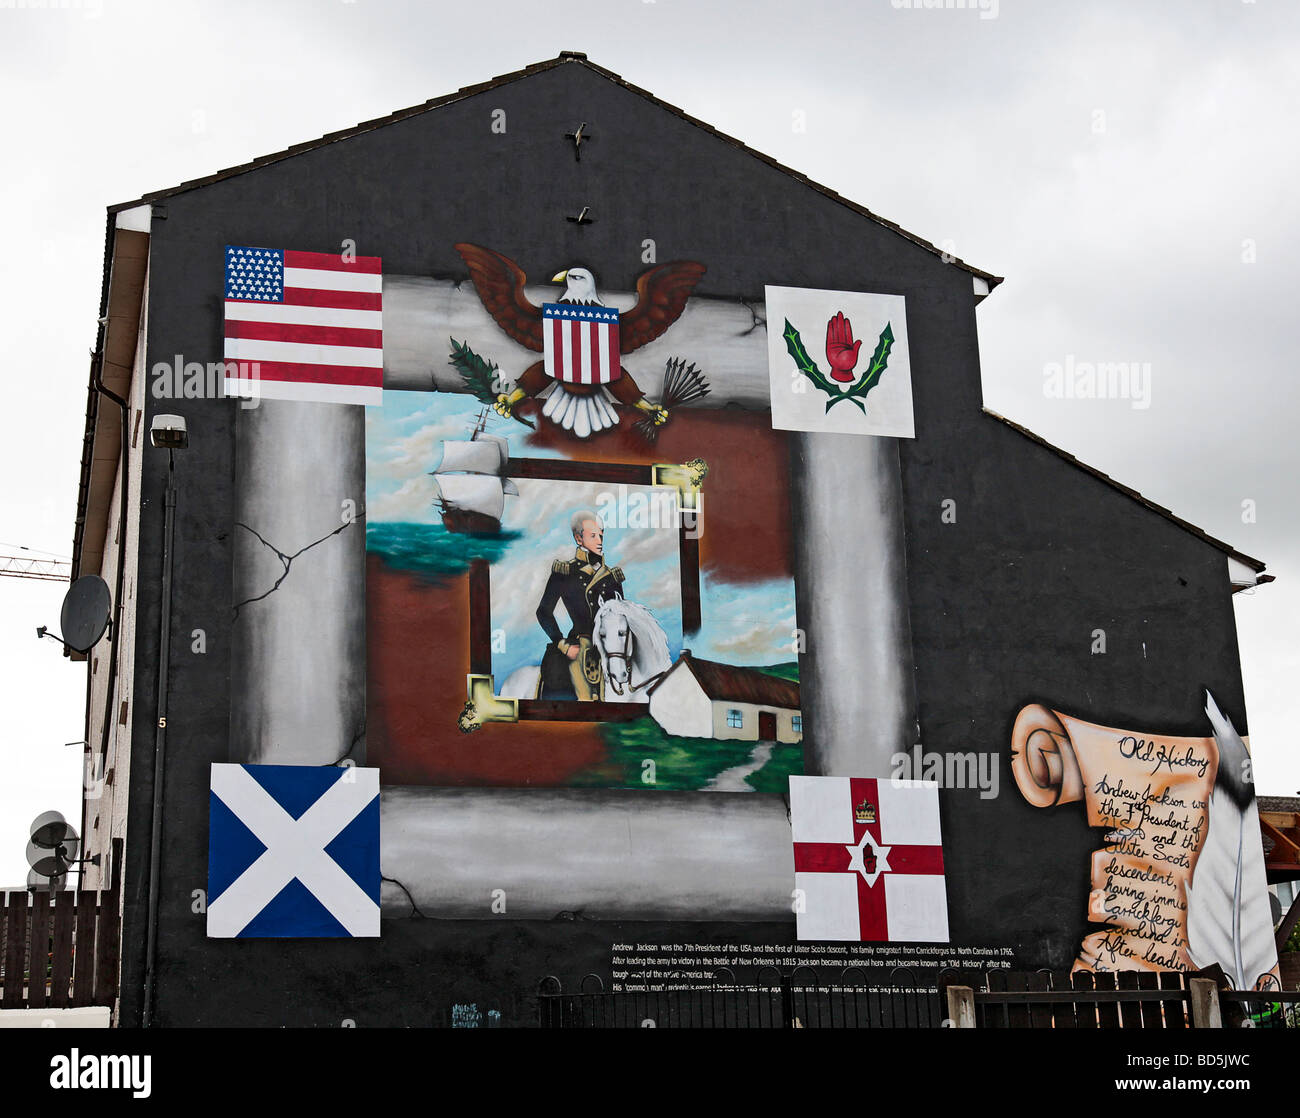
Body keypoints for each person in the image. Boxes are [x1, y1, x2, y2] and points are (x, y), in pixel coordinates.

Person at [535, 510, 625, 700]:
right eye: (593, 536)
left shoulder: (612, 577)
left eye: (601, 535)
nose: (599, 541)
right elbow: (543, 612)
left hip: (610, 646)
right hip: (581, 643)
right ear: (578, 539)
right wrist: (562, 644)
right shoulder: (565, 572)